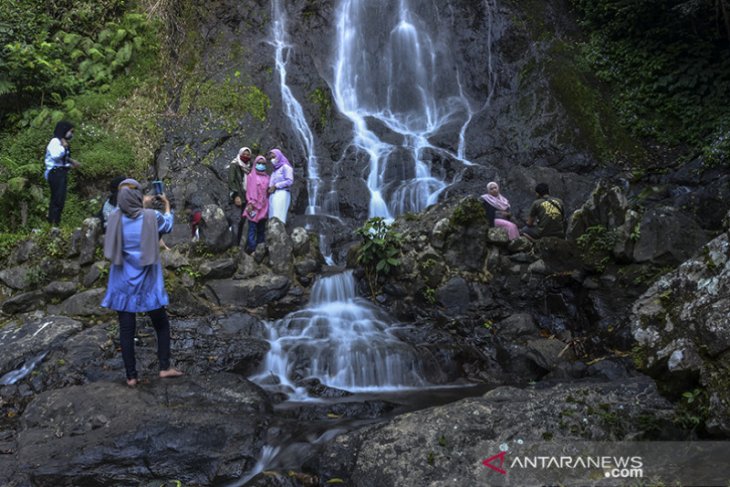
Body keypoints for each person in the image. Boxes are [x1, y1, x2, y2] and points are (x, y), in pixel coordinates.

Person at [101, 179, 183, 386]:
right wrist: (166, 205)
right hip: (147, 282)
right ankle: (164, 367)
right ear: (138, 196)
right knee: (161, 324)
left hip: (122, 283)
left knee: (126, 330)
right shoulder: (152, 216)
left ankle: (131, 377)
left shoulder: (113, 218)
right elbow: (169, 224)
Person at [44, 120, 81, 226]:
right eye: (71, 131)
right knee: (57, 198)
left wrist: (71, 162)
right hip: (56, 172)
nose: (71, 134)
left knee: (60, 198)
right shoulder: (55, 141)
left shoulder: (62, 142)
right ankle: (53, 223)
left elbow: (62, 159)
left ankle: (55, 222)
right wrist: (63, 146)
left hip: (60, 172)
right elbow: (56, 155)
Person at [244, 156, 271, 253]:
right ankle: (252, 248)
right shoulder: (251, 176)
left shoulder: (267, 177)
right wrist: (250, 203)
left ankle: (260, 248)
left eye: (263, 164)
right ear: (255, 164)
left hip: (264, 206)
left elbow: (268, 192)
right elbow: (249, 191)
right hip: (253, 206)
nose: (261, 165)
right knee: (252, 228)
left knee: (261, 228)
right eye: (259, 163)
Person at [228, 147, 253, 245]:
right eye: (244, 154)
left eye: (248, 154)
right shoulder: (234, 165)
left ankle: (238, 245)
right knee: (236, 220)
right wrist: (235, 195)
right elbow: (231, 181)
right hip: (238, 198)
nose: (246, 156)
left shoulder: (249, 168)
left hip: (246, 198)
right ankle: (234, 246)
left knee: (242, 221)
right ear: (240, 154)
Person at [267, 148, 293, 224]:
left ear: (279, 156)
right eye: (271, 158)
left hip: (282, 193)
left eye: (274, 157)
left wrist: (276, 185)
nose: (272, 159)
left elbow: (289, 181)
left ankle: (279, 234)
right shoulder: (275, 170)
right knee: (272, 215)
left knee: (278, 215)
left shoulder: (286, 167)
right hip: (273, 194)